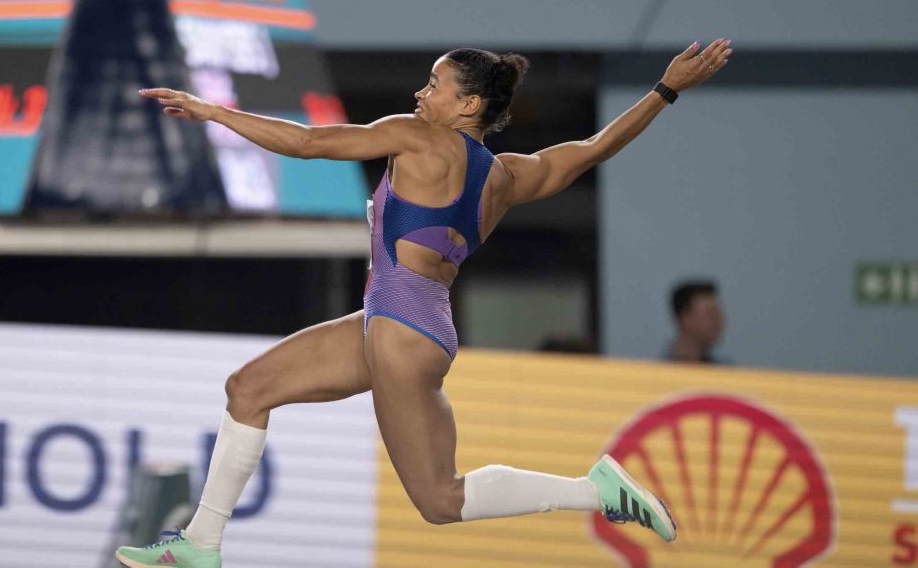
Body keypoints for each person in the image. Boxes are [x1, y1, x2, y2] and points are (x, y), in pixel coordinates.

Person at [120, 38, 732, 568]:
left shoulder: (417, 139)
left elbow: (307, 143)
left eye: (434, 84)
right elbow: (596, 147)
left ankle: (596, 492)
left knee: (440, 500)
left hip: (397, 328)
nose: (421, 93)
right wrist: (664, 91)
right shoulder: (508, 176)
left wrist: (213, 112)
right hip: (404, 323)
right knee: (248, 389)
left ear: (468, 104)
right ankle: (202, 541)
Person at [664, 279, 727, 363]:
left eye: (719, 313)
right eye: (710, 314)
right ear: (684, 319)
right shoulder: (659, 371)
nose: (719, 321)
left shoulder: (724, 371)